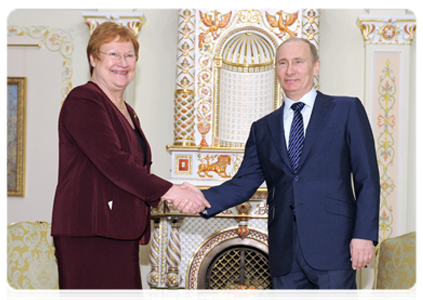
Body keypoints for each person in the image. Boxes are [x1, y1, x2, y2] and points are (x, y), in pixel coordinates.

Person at [171, 37, 380, 300]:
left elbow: (367, 179)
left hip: (334, 247)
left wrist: (364, 235)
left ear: (315, 67)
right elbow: (242, 184)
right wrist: (199, 198)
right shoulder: (263, 128)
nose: (290, 70)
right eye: (283, 63)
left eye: (298, 62)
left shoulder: (346, 109)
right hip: (284, 254)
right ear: (276, 69)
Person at [51, 22, 209, 300]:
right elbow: (114, 162)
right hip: (90, 231)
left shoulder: (129, 112)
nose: (122, 63)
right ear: (93, 58)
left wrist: (174, 192)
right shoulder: (84, 99)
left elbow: (134, 169)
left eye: (129, 55)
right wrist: (171, 191)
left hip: (118, 230)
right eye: (112, 54)